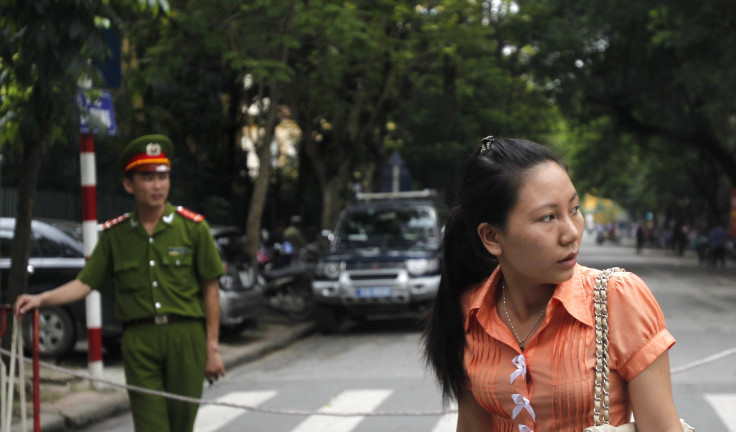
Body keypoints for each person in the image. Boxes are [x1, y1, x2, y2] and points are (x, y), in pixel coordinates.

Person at [423, 136, 684, 432]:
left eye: (574, 209)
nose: (571, 233)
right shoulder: (471, 312)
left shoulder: (617, 298)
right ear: (492, 237)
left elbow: (664, 428)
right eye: (548, 217)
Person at [15, 134, 226, 432]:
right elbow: (85, 283)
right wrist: (41, 299)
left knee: (181, 427)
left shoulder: (193, 228)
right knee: (150, 427)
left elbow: (210, 289)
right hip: (139, 342)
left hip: (185, 338)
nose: (157, 185)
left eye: (162, 177)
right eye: (148, 178)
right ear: (130, 185)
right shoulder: (116, 236)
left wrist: (212, 347)